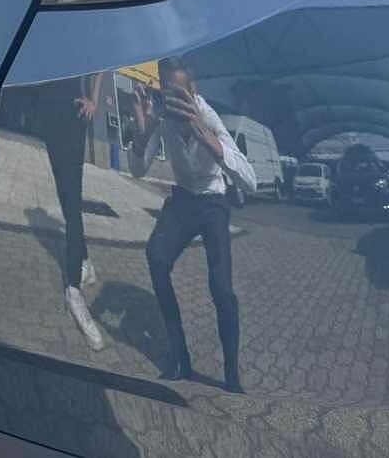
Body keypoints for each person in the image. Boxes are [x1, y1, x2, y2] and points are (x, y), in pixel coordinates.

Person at [130, 60, 255, 392]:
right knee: (156, 256)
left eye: (178, 94)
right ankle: (179, 355)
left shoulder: (208, 116)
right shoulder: (161, 118)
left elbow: (250, 181)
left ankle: (231, 373)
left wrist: (208, 138)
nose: (172, 101)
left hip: (214, 202)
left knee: (221, 287)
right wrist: (144, 128)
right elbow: (138, 170)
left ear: (193, 92)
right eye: (166, 93)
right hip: (184, 199)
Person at [37, 72, 106, 350]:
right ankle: (86, 261)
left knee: (72, 198)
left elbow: (101, 64)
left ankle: (74, 289)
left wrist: (94, 101)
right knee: (65, 196)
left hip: (73, 111)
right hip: (48, 112)